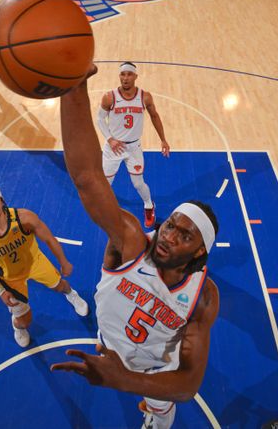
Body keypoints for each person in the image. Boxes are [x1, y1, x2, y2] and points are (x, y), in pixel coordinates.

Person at [51, 65, 219, 429]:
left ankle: (155, 419)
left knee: (162, 413)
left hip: (155, 372)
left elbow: (188, 382)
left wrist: (124, 380)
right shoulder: (130, 243)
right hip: (109, 341)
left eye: (184, 236)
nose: (169, 235)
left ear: (199, 253)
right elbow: (86, 178)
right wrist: (72, 87)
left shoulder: (203, 296)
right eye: (170, 224)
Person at [0, 182, 89, 348]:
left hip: (34, 262)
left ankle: (71, 294)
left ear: (2, 201)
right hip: (9, 278)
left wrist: (63, 261)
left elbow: (49, 239)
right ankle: (18, 326)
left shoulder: (23, 218)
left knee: (60, 286)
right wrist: (0, 291)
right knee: (24, 322)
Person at [97, 62, 170, 227]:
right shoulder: (109, 97)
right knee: (106, 183)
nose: (125, 78)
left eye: (129, 74)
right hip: (113, 148)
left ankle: (149, 205)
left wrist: (163, 139)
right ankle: (107, 208)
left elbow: (155, 116)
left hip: (133, 148)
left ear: (136, 76)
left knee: (138, 183)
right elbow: (99, 119)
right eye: (123, 74)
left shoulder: (145, 97)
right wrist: (110, 139)